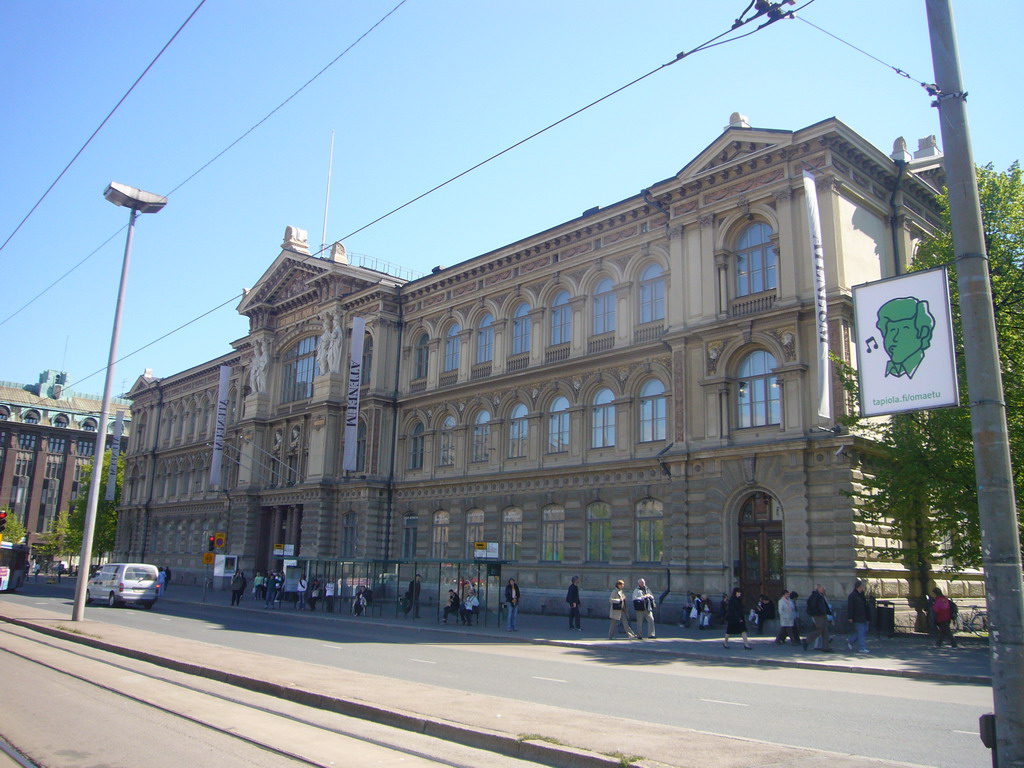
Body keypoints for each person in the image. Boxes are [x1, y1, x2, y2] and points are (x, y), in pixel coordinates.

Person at [803, 584, 832, 652]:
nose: (823, 589)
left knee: (825, 631)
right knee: (820, 630)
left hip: (822, 615)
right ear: (818, 588)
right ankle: (807, 641)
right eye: (822, 588)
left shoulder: (820, 596)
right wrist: (818, 613)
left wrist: (827, 612)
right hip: (818, 616)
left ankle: (826, 647)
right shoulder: (816, 596)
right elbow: (814, 606)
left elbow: (824, 605)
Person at [846, 579, 871, 653]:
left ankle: (851, 640)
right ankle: (862, 648)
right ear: (859, 587)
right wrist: (850, 617)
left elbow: (865, 606)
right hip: (857, 616)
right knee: (861, 631)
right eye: (862, 586)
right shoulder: (853, 596)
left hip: (863, 616)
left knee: (864, 630)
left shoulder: (862, 595)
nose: (863, 587)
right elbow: (850, 607)